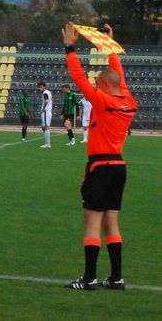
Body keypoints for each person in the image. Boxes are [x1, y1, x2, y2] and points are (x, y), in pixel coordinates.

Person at [61, 23, 137, 290]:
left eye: (97, 83)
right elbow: (119, 75)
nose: (93, 86)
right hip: (118, 166)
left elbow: (79, 78)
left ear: (104, 85)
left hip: (100, 166)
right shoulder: (127, 99)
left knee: (92, 222)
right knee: (112, 222)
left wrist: (70, 47)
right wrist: (109, 46)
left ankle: (89, 278)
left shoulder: (104, 100)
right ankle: (116, 277)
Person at [37, 81, 53, 148]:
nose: (39, 88)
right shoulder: (47, 92)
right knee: (43, 127)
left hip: (46, 112)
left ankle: (47, 144)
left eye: (40, 87)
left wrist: (43, 109)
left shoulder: (45, 93)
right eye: (39, 87)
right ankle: (47, 143)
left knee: (46, 127)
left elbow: (46, 101)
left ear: (44, 86)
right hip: (47, 112)